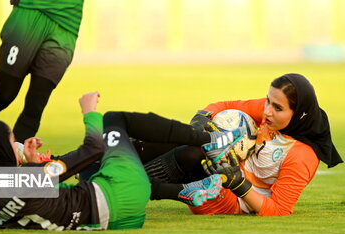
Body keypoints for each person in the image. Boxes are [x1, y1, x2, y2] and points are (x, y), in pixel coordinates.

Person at [0, 92, 225, 230]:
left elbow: (34, 206)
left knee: (91, 169)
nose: (15, 145)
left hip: (117, 221)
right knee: (115, 121)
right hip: (120, 196)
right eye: (10, 140)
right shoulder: (11, 180)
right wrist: (89, 112)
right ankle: (210, 138)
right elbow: (93, 148)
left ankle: (183, 191)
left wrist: (32, 164)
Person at [143, 73, 343, 216]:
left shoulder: (303, 155)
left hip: (230, 200)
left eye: (278, 108)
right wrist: (202, 117)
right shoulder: (271, 112)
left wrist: (239, 184)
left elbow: (279, 210)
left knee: (194, 153)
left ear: (299, 113)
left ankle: (133, 183)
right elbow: (222, 106)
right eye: (268, 101)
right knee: (185, 137)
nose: (267, 112)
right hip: (224, 166)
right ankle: (124, 163)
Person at [0, 0, 84, 143]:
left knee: (35, 106)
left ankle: (14, 162)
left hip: (67, 22)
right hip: (30, 10)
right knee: (5, 95)